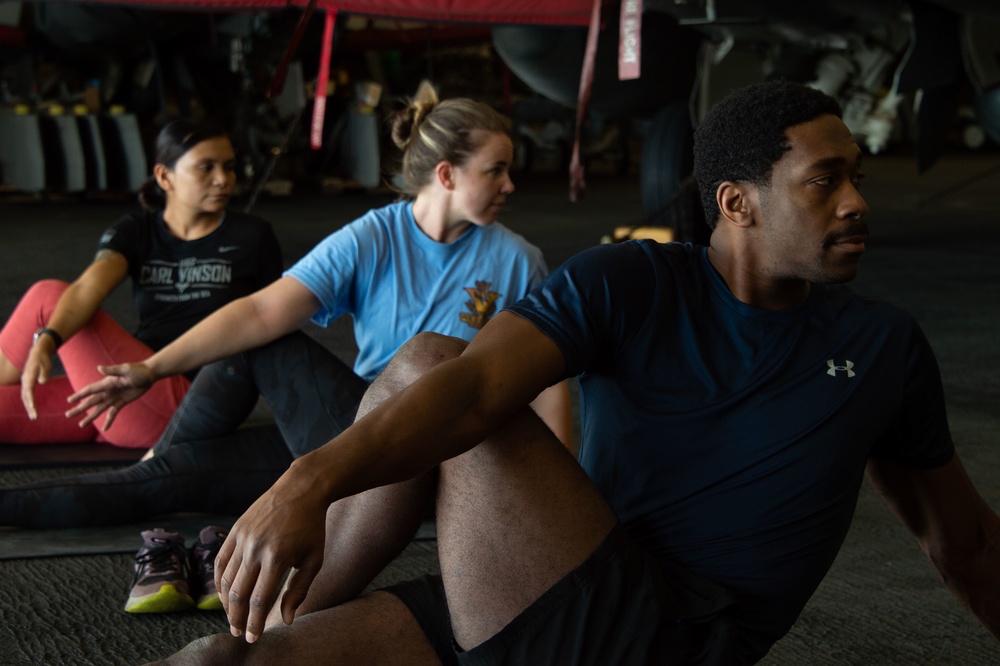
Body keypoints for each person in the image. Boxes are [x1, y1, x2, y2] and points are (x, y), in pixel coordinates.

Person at [117, 79, 1000, 664]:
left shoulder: (883, 345)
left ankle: (285, 606)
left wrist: (303, 484)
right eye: (826, 180)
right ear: (738, 203)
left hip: (659, 635)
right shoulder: (634, 281)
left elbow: (965, 544)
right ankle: (275, 625)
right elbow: (473, 395)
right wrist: (303, 487)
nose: (857, 202)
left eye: (858, 178)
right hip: (543, 586)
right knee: (214, 661)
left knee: (430, 361)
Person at [4, 89, 566, 545]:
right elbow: (260, 309)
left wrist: (562, 495)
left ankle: (161, 453)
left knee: (265, 343)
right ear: (446, 175)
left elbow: (552, 382)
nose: (509, 185)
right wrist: (149, 371)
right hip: (350, 431)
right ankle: (130, 470)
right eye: (496, 171)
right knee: (159, 484)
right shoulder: (373, 235)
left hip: (427, 454)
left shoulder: (517, 261)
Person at [0, 119, 283, 448]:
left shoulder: (252, 236)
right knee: (55, 300)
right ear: (165, 176)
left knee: (49, 295)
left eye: (229, 167)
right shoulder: (137, 230)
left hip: (189, 402)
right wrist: (47, 340)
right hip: (128, 390)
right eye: (206, 168)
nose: (223, 179)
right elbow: (91, 285)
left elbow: (276, 327)